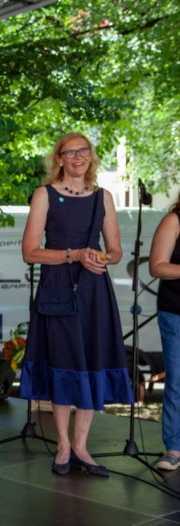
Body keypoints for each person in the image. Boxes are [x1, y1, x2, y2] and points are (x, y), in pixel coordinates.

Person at [18, 132, 133, 477]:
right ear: (59, 159)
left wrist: (103, 257)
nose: (78, 157)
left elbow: (115, 249)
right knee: (63, 362)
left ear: (91, 156)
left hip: (94, 290)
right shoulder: (45, 194)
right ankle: (63, 447)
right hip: (57, 287)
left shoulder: (104, 197)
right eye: (70, 152)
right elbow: (29, 252)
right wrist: (74, 254)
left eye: (83, 151)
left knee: (91, 363)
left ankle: (82, 447)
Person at [149, 192, 180, 471]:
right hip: (177, 313)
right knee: (178, 383)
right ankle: (174, 448)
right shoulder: (174, 220)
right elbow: (157, 266)